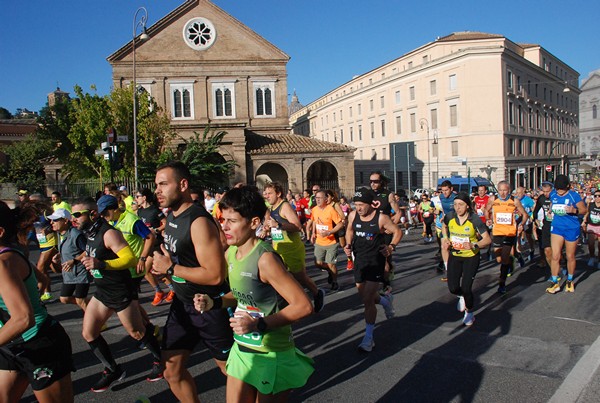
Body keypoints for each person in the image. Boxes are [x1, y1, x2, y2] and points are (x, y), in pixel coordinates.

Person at [193, 186, 314, 402]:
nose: (225, 226)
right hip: (242, 347)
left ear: (254, 223)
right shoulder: (232, 252)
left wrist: (257, 325)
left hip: (271, 353)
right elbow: (242, 294)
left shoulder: (265, 259)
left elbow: (303, 306)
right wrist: (214, 302)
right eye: (223, 220)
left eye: (232, 221)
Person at [151, 161, 232, 403]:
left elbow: (215, 274)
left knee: (232, 371)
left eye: (164, 184)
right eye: (157, 185)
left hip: (209, 306)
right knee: (171, 370)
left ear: (183, 184)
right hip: (182, 305)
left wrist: (172, 267)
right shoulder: (172, 217)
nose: (158, 190)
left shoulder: (197, 221)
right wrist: (166, 266)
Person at [72, 197, 163, 392]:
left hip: (120, 290)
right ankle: (112, 369)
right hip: (102, 291)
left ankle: (160, 359)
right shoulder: (89, 233)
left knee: (137, 332)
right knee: (89, 333)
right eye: (73, 215)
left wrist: (102, 264)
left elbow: (129, 258)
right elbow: (94, 253)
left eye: (78, 214)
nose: (74, 219)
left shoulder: (109, 233)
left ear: (93, 214)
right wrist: (77, 258)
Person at [0, 201, 74, 402]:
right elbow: (42, 277)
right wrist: (35, 287)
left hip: (39, 342)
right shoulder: (10, 256)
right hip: (10, 344)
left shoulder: (3, 262)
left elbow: (24, 318)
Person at [344, 188, 401, 352]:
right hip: (359, 260)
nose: (359, 208)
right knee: (364, 295)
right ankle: (385, 301)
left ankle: (368, 338)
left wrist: (391, 247)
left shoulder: (381, 218)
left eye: (361, 204)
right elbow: (349, 230)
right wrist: (347, 245)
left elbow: (397, 232)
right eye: (356, 204)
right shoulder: (353, 215)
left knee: (367, 300)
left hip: (375, 260)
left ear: (370, 204)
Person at [263, 183, 325, 313]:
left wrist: (279, 225)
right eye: (265, 193)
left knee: (300, 278)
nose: (266, 195)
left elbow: (297, 226)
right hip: (278, 248)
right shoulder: (270, 207)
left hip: (292, 249)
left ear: (278, 194)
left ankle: (317, 293)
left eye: (269, 193)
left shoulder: (284, 206)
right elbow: (269, 224)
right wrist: (266, 228)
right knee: (280, 278)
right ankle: (287, 306)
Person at [441, 192, 491, 326]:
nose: (458, 207)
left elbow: (487, 239)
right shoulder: (450, 216)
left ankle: (469, 313)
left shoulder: (474, 220)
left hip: (471, 257)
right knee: (453, 288)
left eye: (461, 205)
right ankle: (461, 296)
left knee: (467, 288)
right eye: (455, 204)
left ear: (467, 206)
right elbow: (443, 226)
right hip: (455, 256)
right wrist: (446, 239)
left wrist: (474, 244)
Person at [484, 181, 529, 294]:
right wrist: (488, 219)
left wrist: (521, 225)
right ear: (497, 190)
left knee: (504, 258)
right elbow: (486, 210)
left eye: (505, 190)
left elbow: (525, 214)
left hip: (510, 232)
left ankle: (502, 283)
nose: (503, 193)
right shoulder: (493, 199)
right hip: (497, 232)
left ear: (509, 190)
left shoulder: (514, 201)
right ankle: (512, 259)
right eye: (500, 190)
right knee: (499, 258)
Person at [546, 175, 587, 293]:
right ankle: (555, 282)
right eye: (557, 189)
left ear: (567, 187)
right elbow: (551, 207)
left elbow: (584, 210)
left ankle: (569, 280)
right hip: (557, 227)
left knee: (570, 256)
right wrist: (550, 212)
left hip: (571, 228)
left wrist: (574, 211)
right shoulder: (553, 194)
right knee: (555, 255)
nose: (559, 192)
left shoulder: (574, 196)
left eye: (561, 190)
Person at [136, 188, 175, 305]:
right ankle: (172, 289)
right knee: (156, 271)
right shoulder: (140, 212)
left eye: (138, 196)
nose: (136, 199)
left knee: (146, 270)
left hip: (156, 244)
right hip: (146, 244)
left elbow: (166, 222)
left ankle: (159, 291)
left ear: (144, 197)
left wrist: (156, 230)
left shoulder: (154, 210)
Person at [49, 208, 91, 313]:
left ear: (65, 220)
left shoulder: (76, 235)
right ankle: (92, 306)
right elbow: (71, 248)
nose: (51, 222)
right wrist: (59, 255)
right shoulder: (60, 234)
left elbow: (88, 250)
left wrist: (74, 260)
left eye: (55, 220)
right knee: (64, 298)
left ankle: (99, 323)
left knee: (80, 299)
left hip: (80, 272)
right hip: (69, 274)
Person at [369, 171, 403, 290]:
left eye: (376, 181)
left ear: (381, 182)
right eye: (371, 181)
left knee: (385, 260)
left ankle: (385, 283)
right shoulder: (368, 194)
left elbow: (398, 212)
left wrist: (392, 226)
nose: (373, 184)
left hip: (385, 231)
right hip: (372, 230)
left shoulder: (388, 194)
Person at [310, 190, 344, 290]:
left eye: (320, 198)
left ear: (326, 199)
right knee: (318, 264)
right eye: (316, 198)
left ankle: (334, 281)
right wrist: (313, 233)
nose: (317, 200)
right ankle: (330, 271)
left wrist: (330, 232)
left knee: (331, 264)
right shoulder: (315, 209)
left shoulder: (330, 210)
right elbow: (314, 221)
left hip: (331, 242)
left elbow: (340, 224)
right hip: (319, 241)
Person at [436, 180, 457, 281]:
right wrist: (443, 216)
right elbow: (443, 210)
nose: (444, 192)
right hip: (446, 225)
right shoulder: (441, 197)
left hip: (456, 225)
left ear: (451, 189)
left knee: (455, 248)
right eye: (442, 190)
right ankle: (448, 270)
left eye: (446, 190)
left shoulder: (456, 197)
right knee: (444, 246)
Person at [532, 182, 554, 270]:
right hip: (546, 225)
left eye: (547, 191)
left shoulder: (556, 198)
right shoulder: (541, 198)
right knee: (546, 249)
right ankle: (554, 271)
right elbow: (535, 210)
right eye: (544, 191)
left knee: (556, 250)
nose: (546, 194)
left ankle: (561, 260)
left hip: (557, 225)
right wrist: (535, 219)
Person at [583, 189, 600, 269]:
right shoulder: (591, 204)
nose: (597, 197)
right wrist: (584, 220)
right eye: (595, 196)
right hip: (591, 225)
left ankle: (599, 260)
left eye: (599, 196)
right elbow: (587, 212)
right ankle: (592, 257)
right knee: (590, 243)